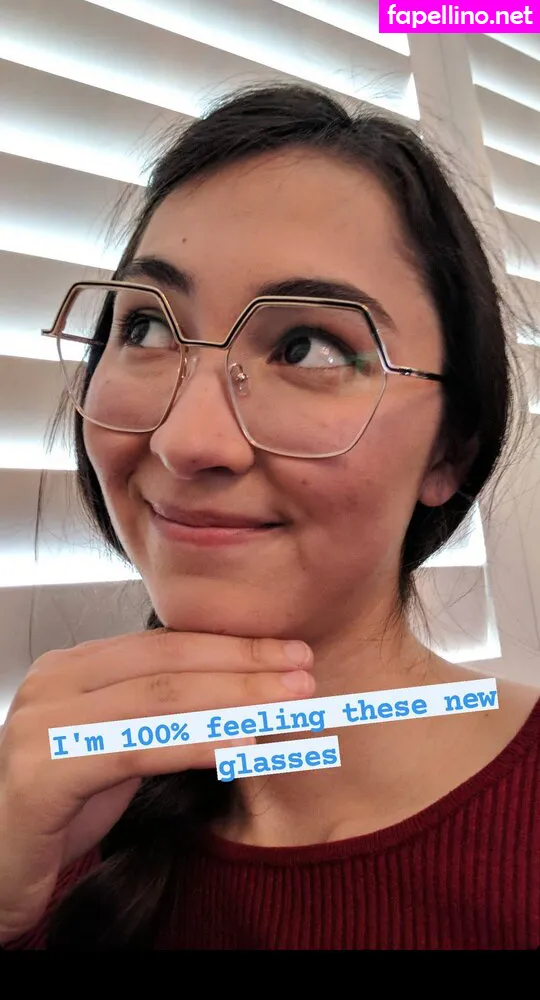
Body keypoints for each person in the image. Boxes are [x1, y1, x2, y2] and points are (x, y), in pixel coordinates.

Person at [1, 83, 539, 952]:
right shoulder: (42, 829)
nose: (186, 442)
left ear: (450, 449)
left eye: (307, 348)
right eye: (146, 328)